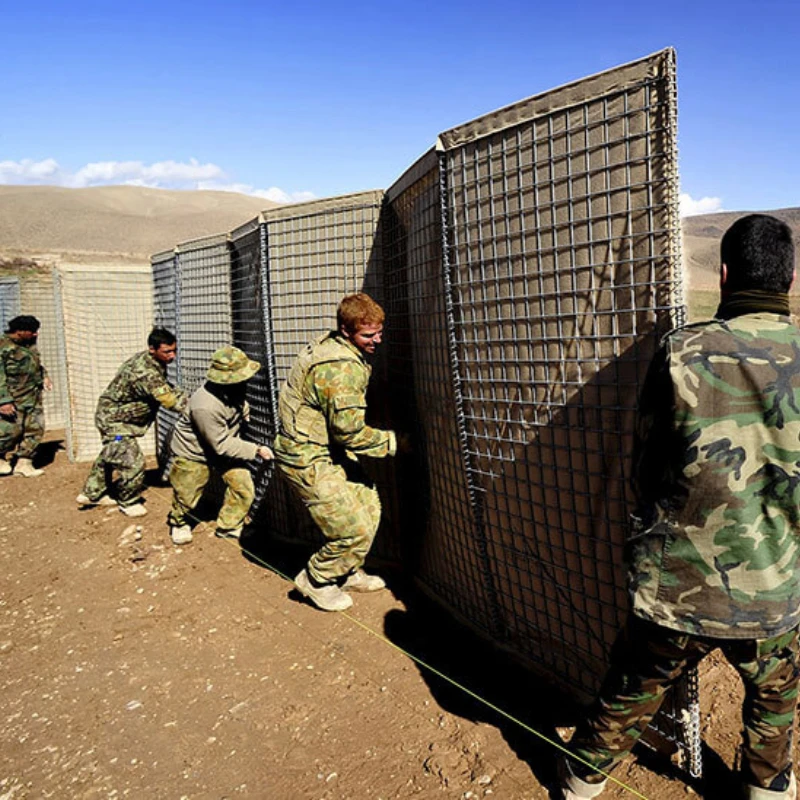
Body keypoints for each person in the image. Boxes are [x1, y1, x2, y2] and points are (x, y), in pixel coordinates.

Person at [559, 215, 800, 800]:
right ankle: (769, 790)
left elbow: (647, 466)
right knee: (776, 697)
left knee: (633, 687)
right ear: (788, 278)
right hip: (776, 582)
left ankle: (582, 780)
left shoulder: (680, 350)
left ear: (722, 274)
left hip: (678, 581)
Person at [275, 292, 404, 612]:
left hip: (327, 450)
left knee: (368, 507)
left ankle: (344, 572)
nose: (377, 340)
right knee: (352, 529)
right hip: (307, 456)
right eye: (368, 335)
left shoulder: (336, 345)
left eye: (379, 332)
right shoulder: (340, 367)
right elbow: (349, 432)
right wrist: (394, 443)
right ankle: (317, 579)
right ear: (346, 331)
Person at [167, 346, 274, 545]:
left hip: (222, 446)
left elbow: (235, 406)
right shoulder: (205, 405)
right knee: (187, 495)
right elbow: (221, 444)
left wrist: (244, 411)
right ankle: (178, 521)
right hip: (194, 453)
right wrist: (256, 449)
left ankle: (229, 526)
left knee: (242, 486)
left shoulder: (232, 388)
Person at [76, 327, 187, 517]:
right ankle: (128, 501)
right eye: (167, 351)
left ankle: (92, 493)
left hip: (115, 417)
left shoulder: (151, 361)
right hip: (115, 421)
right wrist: (195, 408)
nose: (172, 356)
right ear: (152, 349)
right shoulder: (145, 371)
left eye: (174, 350)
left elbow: (162, 387)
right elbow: (168, 399)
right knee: (133, 462)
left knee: (111, 454)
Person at [0, 315, 52, 477]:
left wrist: (44, 376)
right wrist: (3, 401)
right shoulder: (3, 347)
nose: (36, 334)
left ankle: (24, 462)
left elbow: (35, 363)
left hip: (32, 396)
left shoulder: (28, 344)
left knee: (35, 429)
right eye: (32, 331)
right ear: (19, 331)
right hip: (13, 398)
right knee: (10, 431)